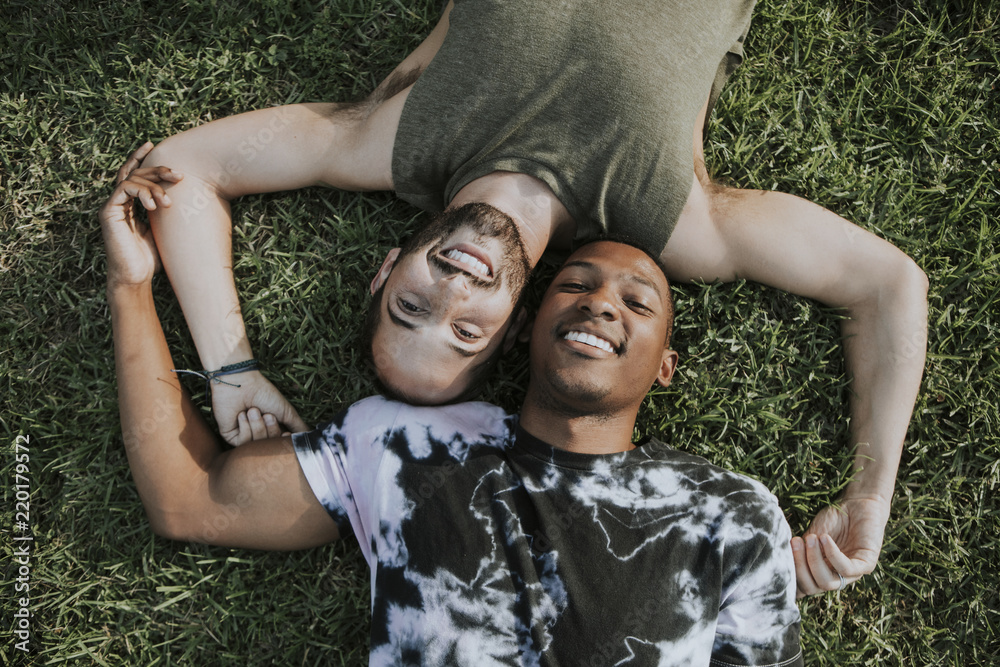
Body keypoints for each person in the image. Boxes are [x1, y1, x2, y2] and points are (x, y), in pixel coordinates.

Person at [130, 0, 928, 595]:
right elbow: (888, 286)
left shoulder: (390, 139)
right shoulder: (675, 219)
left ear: (384, 269)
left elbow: (178, 171)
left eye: (412, 306)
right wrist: (871, 493)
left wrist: (231, 368)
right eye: (467, 330)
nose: (454, 287)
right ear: (517, 329)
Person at [102, 171, 804, 663]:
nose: (600, 304)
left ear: (664, 367)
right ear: (526, 326)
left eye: (638, 302)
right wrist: (131, 288)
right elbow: (187, 499)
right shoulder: (402, 445)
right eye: (575, 285)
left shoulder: (733, 514)